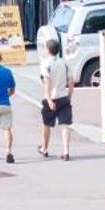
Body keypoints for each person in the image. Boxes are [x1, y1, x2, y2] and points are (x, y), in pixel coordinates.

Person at [36, 30, 73, 159]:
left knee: (47, 124)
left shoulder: (46, 64)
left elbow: (46, 83)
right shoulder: (65, 62)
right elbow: (71, 81)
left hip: (51, 98)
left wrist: (49, 100)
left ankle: (45, 148)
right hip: (64, 96)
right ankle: (66, 151)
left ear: (48, 50)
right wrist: (69, 96)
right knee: (65, 125)